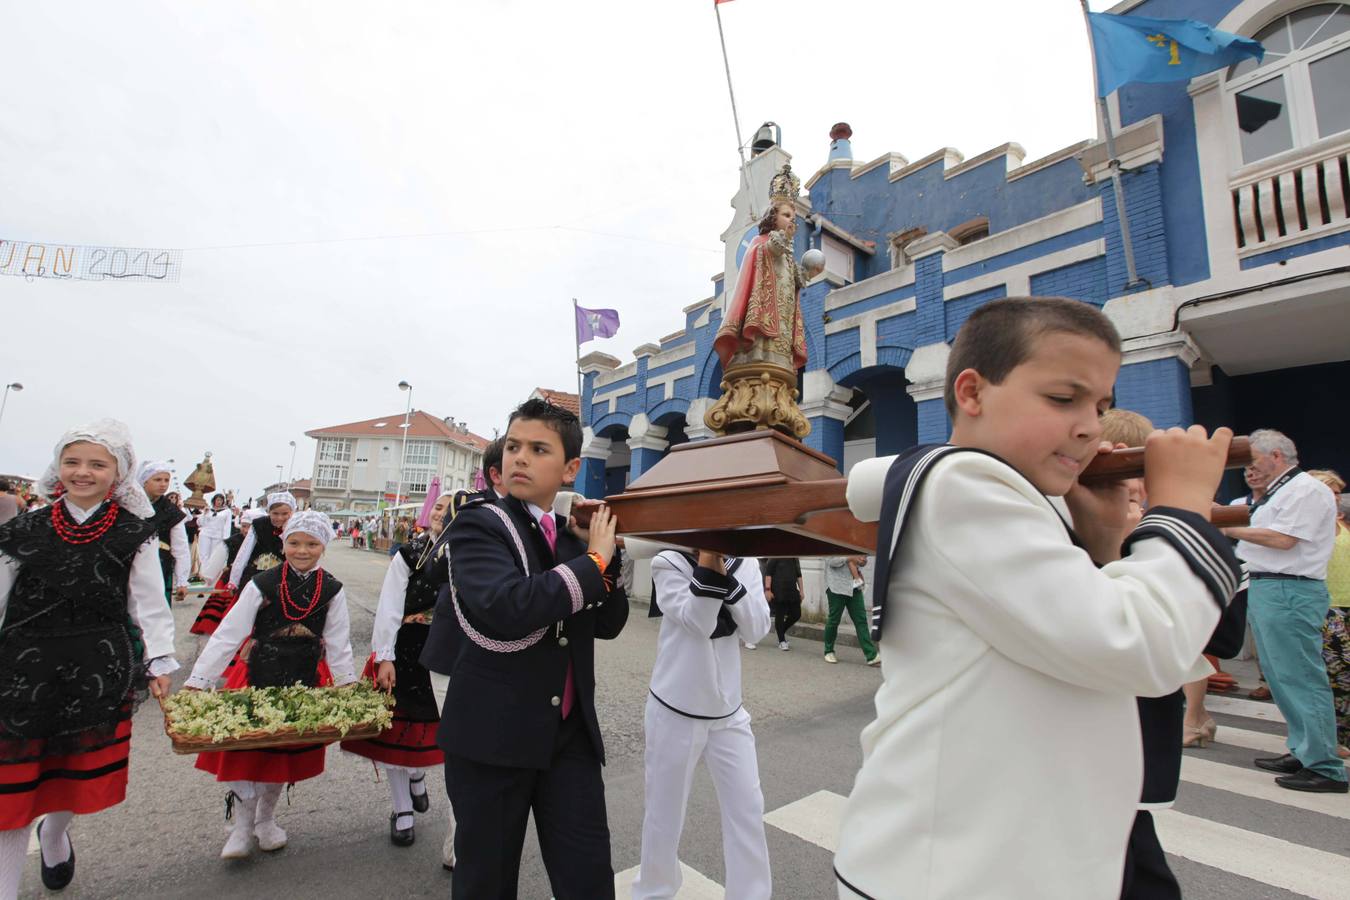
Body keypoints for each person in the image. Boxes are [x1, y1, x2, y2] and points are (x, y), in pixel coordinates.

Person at [833, 297, 1242, 900]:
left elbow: (1082, 649)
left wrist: (1103, 545)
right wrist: (1180, 509)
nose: (1090, 426)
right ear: (971, 393)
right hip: (954, 873)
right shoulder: (965, 483)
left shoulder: (1012, 495)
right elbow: (1135, 646)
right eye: (1062, 399)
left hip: (1013, 853)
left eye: (1100, 406)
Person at [439, 399, 627, 900]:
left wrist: (609, 557)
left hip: (568, 740)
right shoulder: (480, 524)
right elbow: (506, 606)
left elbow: (608, 623)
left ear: (570, 469)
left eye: (538, 449)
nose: (520, 457)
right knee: (487, 881)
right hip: (492, 738)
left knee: (588, 877)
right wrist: (594, 560)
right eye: (515, 446)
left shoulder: (572, 537)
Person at [0, 420, 178, 899]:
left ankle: (55, 834)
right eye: (72, 462)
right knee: (9, 795)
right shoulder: (23, 529)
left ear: (117, 473)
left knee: (70, 777)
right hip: (22, 671)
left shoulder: (132, 532)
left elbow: (148, 601)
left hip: (97, 669)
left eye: (97, 464)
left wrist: (160, 659)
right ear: (57, 468)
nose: (83, 472)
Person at [1100, 409, 1249, 900]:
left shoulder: (1176, 522)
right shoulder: (1062, 517)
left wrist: (1174, 521)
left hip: (1143, 719)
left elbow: (1224, 636)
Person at [183, 510, 356, 858]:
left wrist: (347, 684)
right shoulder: (263, 583)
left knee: (281, 754)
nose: (302, 550)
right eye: (294, 543)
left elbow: (339, 642)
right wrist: (199, 680)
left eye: (311, 544)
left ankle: (267, 819)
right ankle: (242, 828)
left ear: (323, 546)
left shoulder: (332, 589)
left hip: (303, 679)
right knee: (246, 753)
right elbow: (229, 633)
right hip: (256, 674)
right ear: (283, 543)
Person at [632, 549, 772, 900]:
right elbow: (700, 621)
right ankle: (653, 893)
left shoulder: (747, 562)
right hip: (675, 709)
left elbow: (757, 628)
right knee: (664, 818)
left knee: (748, 812)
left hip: (728, 714)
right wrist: (712, 566)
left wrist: (727, 578)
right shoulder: (668, 562)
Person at [1224, 430, 1346, 793]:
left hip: (1289, 587)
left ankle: (1325, 766)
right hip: (1271, 585)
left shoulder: (1305, 489)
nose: (1249, 470)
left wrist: (1230, 527)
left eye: (1253, 461)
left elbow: (1283, 539)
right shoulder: (1282, 491)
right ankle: (1305, 750)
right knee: (1281, 678)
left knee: (1301, 678)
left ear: (1276, 455)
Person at [342, 492, 453, 848]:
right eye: (438, 506)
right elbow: (389, 606)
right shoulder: (408, 554)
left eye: (451, 509)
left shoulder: (468, 554)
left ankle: (417, 775)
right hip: (406, 650)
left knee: (436, 733)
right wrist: (383, 656)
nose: (442, 513)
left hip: (447, 655)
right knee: (398, 732)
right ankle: (402, 807)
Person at [139, 461, 190, 605]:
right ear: (144, 481)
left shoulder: (171, 512)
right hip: (131, 564)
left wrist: (182, 581)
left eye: (166, 480)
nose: (163, 484)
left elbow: (181, 548)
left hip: (160, 564)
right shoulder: (131, 505)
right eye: (157, 480)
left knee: (155, 610)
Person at [1324, 492, 1350, 758]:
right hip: (1330, 607)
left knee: (1339, 675)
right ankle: (1336, 737)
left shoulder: (1340, 530)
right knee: (1339, 673)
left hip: (1341, 607)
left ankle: (1339, 737)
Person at [823, 556, 879, 666]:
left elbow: (859, 564)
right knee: (834, 620)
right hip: (836, 587)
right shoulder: (832, 541)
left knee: (861, 621)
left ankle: (871, 656)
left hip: (854, 588)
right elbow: (831, 561)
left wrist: (862, 561)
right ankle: (828, 651)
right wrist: (849, 558)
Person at [763, 556, 802, 650]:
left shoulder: (794, 557)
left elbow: (799, 575)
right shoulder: (776, 555)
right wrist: (768, 590)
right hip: (778, 589)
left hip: (792, 589)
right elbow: (768, 573)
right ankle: (782, 641)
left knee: (796, 614)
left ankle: (781, 631)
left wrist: (801, 590)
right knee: (780, 614)